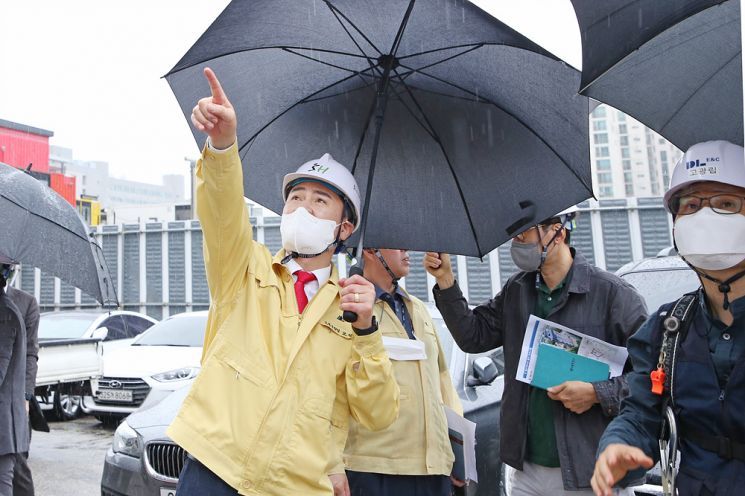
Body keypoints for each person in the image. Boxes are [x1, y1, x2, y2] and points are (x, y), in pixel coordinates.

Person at [168, 67, 399, 496]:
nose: (302, 208)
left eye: (319, 200)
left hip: (293, 486)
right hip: (213, 469)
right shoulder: (245, 268)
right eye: (295, 197)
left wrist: (367, 333)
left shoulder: (355, 308)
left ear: (345, 228)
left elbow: (377, 413)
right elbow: (221, 211)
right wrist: (222, 146)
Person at [424, 208, 648, 495]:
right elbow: (473, 336)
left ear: (558, 233)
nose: (518, 244)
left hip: (591, 469)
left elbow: (653, 376)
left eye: (525, 234)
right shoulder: (518, 290)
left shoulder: (613, 295)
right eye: (514, 236)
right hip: (526, 471)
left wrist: (596, 393)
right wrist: (445, 280)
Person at [592, 140, 745, 496]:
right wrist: (617, 445)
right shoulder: (666, 328)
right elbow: (641, 412)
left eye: (725, 204)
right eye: (691, 205)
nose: (705, 217)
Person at [329, 248, 463, 496]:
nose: (407, 251)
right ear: (370, 251)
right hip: (374, 469)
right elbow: (329, 392)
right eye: (397, 245)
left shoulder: (420, 309)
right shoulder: (345, 309)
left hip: (434, 471)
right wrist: (332, 463)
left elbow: (442, 382)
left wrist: (456, 452)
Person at [0, 263, 39, 496]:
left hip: (12, 402)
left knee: (16, 464)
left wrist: (25, 396)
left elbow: (30, 354)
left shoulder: (23, 303)